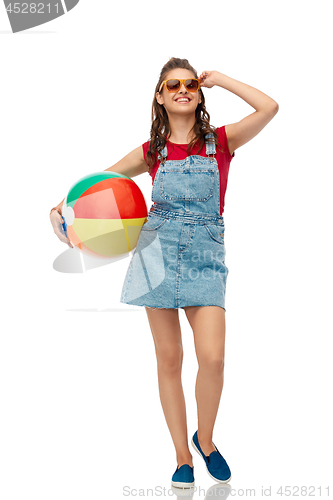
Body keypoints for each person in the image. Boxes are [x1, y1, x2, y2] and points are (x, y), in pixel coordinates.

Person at [50, 57, 278, 489]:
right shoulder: (151, 151)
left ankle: (205, 442)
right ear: (160, 96)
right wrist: (59, 209)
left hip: (206, 256)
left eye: (190, 83)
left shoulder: (220, 142)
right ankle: (181, 456)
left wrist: (222, 79)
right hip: (155, 253)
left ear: (198, 92)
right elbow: (101, 180)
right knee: (169, 359)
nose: (182, 89)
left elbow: (269, 108)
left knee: (212, 357)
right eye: (172, 84)